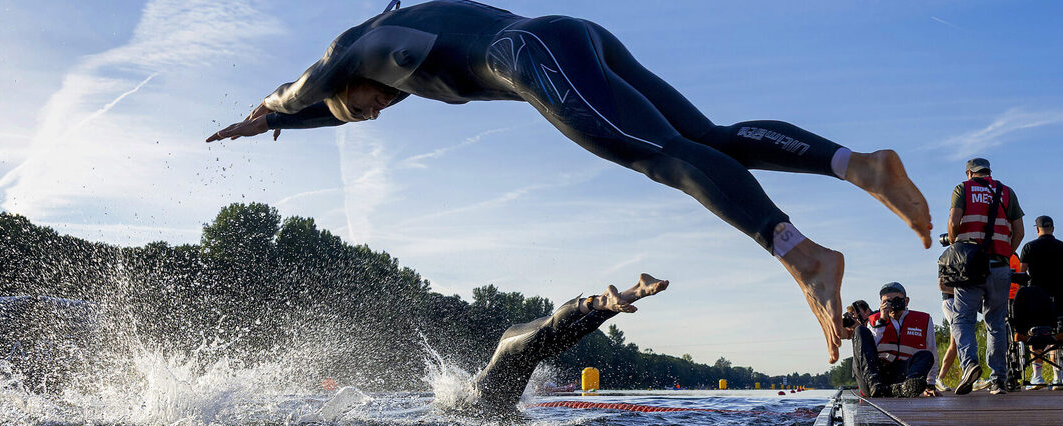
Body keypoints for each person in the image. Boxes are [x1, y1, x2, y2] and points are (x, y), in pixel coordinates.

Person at [205, 1, 932, 365]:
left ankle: (802, 255)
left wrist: (265, 112)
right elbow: (325, 108)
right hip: (572, 34)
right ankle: (860, 165)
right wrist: (294, 123)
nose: (377, 112)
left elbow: (304, 89)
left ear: (345, 83)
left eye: (363, 108)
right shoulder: (400, 39)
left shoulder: (349, 51)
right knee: (703, 139)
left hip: (534, 57)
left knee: (660, 155)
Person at [468, 273, 668, 416]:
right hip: (531, 356)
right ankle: (638, 290)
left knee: (545, 331)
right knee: (572, 334)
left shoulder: (467, 402)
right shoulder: (500, 412)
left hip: (509, 346)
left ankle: (596, 301)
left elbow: (458, 397)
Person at [947, 157, 1024, 395]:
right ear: (989, 172)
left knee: (962, 319)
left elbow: (954, 223)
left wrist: (954, 245)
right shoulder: (1007, 192)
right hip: (1000, 265)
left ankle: (970, 364)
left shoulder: (963, 189)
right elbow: (1019, 232)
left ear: (969, 173)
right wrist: (1005, 253)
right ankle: (998, 379)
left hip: (969, 265)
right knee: (996, 323)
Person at [844, 282, 939, 398]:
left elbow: (933, 352)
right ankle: (875, 385)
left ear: (906, 301)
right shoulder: (874, 321)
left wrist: (930, 385)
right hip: (875, 375)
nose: (892, 304)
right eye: (887, 301)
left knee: (926, 355)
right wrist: (882, 321)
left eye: (896, 300)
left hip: (901, 376)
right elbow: (870, 351)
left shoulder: (923, 320)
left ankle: (908, 387)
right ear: (881, 304)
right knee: (860, 331)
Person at [1019, 215, 1063, 386]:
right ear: (1052, 228)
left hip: (1036, 299)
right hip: (1059, 297)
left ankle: (1037, 375)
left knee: (1035, 333)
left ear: (1037, 229)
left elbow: (1021, 276)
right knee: (1058, 332)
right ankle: (1058, 376)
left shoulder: (1029, 247)